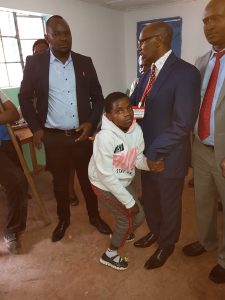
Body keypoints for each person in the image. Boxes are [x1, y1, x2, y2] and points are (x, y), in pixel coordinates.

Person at [19, 15, 111, 243]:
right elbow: (24, 97)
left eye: (67, 33)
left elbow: (98, 98)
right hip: (54, 137)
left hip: (81, 135)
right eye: (57, 34)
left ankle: (94, 216)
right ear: (47, 37)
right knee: (60, 185)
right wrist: (36, 128)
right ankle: (63, 220)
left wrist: (91, 123)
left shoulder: (84, 62)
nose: (63, 39)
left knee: (89, 181)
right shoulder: (35, 63)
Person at [130, 21, 201, 269]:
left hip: (166, 155)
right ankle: (155, 232)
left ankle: (167, 244)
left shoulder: (186, 73)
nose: (139, 47)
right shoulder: (147, 73)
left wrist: (154, 152)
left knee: (168, 202)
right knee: (149, 198)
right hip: (146, 153)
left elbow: (183, 123)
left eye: (142, 41)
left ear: (158, 39)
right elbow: (137, 108)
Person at [182, 0, 225, 284]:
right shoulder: (201, 61)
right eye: (205, 21)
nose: (208, 26)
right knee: (203, 201)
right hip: (200, 146)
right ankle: (207, 242)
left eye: (216, 19)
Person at [88, 92, 149, 270]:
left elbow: (137, 159)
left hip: (121, 181)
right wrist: (129, 201)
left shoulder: (136, 129)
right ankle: (110, 254)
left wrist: (149, 164)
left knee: (139, 216)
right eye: (119, 111)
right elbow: (106, 175)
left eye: (129, 107)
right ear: (108, 116)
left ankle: (124, 233)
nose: (127, 113)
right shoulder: (105, 137)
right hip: (102, 183)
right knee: (126, 219)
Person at [33, 38, 80, 207]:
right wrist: (36, 129)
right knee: (56, 165)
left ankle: (70, 190)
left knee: (71, 164)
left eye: (42, 51)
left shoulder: (64, 70)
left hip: (68, 128)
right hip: (48, 131)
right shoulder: (34, 73)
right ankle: (61, 189)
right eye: (36, 52)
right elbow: (27, 102)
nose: (40, 54)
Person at [0, 89, 28, 254]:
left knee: (20, 184)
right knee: (17, 181)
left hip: (9, 142)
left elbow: (13, 115)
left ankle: (16, 196)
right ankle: (12, 230)